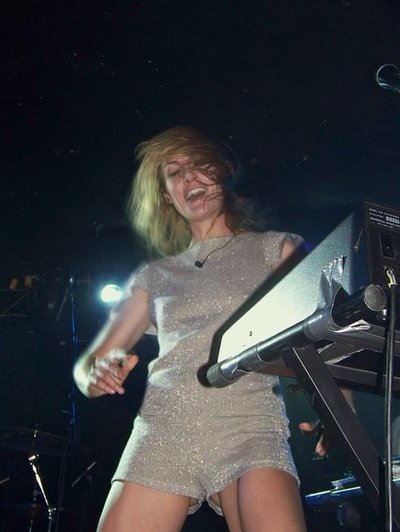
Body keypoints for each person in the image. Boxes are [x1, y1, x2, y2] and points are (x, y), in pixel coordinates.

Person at [73, 126, 307, 531]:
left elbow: (324, 335)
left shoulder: (275, 248)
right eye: (175, 173)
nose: (188, 178)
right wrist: (97, 373)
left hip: (248, 420)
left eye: (199, 165)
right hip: (166, 425)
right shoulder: (155, 275)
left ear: (221, 172)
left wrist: (336, 412)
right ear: (168, 196)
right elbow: (89, 366)